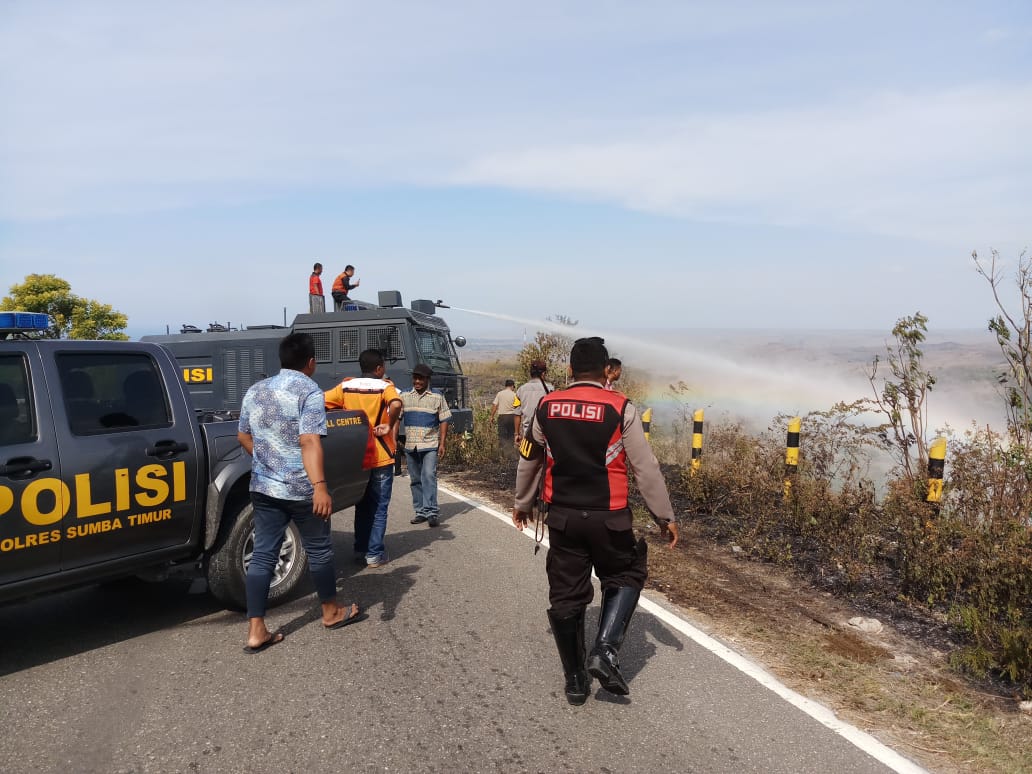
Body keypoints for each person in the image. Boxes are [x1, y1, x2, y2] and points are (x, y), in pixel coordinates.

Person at [512, 337, 678, 704]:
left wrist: (522, 503)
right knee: (626, 574)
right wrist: (664, 516)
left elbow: (530, 460)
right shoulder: (621, 408)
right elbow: (645, 468)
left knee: (567, 594)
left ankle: (574, 682)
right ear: (607, 372)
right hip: (611, 518)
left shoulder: (546, 406)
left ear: (569, 370)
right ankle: (604, 650)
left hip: (563, 518)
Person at [237, 332, 365, 654]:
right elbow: (309, 441)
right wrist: (319, 487)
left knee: (264, 554)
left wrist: (269, 462)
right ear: (311, 362)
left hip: (264, 487)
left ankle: (256, 630)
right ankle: (331, 612)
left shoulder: (256, 390)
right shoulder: (309, 391)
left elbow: (243, 436)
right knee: (319, 549)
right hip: (300, 489)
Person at [323, 349, 402, 568]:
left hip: (356, 455)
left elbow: (321, 402)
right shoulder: (386, 387)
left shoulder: (346, 386)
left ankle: (360, 550)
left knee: (362, 503)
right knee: (379, 506)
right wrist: (388, 423)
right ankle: (375, 554)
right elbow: (396, 404)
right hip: (381, 455)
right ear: (379, 368)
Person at [400, 363, 451, 528]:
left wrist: (442, 443)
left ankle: (431, 512)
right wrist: (393, 438)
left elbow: (444, 420)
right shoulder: (404, 395)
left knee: (428, 475)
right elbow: (396, 418)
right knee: (415, 479)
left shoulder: (437, 396)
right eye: (415, 378)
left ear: (427, 380)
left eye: (420, 379)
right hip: (411, 445)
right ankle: (420, 511)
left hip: (430, 444)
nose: (417, 381)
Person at [513, 359, 554, 445]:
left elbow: (517, 414)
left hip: (528, 435)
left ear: (531, 373)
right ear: (543, 373)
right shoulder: (550, 389)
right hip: (545, 435)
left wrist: (517, 434)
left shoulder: (520, 390)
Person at [489, 379, 518, 443]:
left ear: (506, 386)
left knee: (502, 437)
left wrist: (491, 416)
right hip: (511, 417)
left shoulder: (500, 394)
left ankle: (503, 451)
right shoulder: (514, 395)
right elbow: (517, 408)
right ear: (512, 386)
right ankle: (510, 450)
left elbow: (495, 405)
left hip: (502, 417)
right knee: (511, 436)